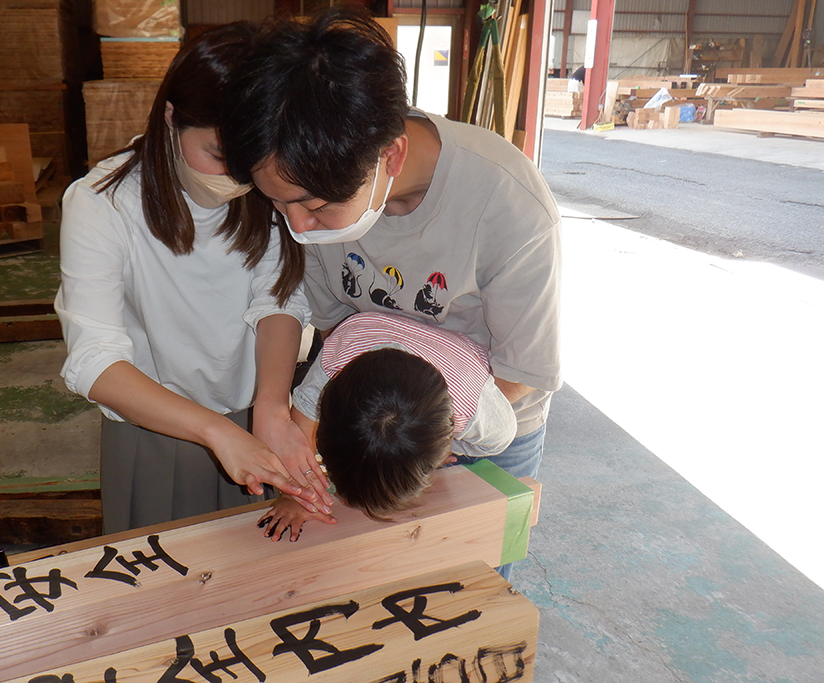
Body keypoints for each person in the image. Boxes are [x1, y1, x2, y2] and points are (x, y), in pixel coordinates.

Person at [222, 8, 561, 578]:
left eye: (313, 205)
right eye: (277, 203)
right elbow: (334, 337)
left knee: (466, 588)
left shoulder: (507, 204)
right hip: (379, 415)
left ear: (391, 157)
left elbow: (523, 368)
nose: (297, 227)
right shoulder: (322, 181)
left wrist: (420, 439)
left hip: (487, 416)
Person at [54, 22, 330, 535]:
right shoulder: (101, 204)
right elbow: (95, 362)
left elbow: (279, 300)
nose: (234, 179)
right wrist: (216, 433)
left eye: (248, 163)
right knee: (162, 580)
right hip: (154, 431)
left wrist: (271, 407)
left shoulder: (265, 188)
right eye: (219, 156)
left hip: (258, 414)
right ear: (171, 116)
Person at [258, 312, 517, 542]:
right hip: (366, 331)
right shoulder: (339, 352)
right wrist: (295, 496)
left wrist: (435, 452)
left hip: (463, 358)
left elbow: (497, 442)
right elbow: (297, 437)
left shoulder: (473, 406)